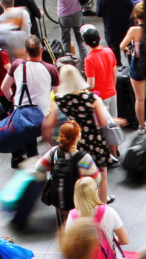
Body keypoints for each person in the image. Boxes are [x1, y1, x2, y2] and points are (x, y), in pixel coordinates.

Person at [52, 65, 114, 204]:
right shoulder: (92, 98)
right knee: (101, 174)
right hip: (94, 140)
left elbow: (51, 122)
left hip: (73, 141)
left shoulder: (58, 101)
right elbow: (103, 122)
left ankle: (82, 205)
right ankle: (102, 204)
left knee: (78, 175)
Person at [1, 36, 58, 163]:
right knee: (54, 143)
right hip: (43, 115)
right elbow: (58, 94)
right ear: (42, 50)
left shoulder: (16, 64)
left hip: (23, 116)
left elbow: (4, 87)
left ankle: (34, 168)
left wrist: (13, 98)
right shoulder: (50, 69)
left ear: (26, 51)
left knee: (31, 151)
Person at [35, 121, 100, 227]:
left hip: (59, 201)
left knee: (63, 230)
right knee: (78, 232)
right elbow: (97, 179)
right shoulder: (84, 158)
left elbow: (38, 167)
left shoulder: (54, 152)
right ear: (78, 137)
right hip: (78, 202)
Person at [80, 25, 118, 159]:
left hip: (100, 98)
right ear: (100, 38)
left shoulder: (89, 59)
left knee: (105, 128)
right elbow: (114, 72)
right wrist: (113, 87)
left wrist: (81, 87)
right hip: (112, 92)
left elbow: (91, 84)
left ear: (85, 43)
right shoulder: (108, 51)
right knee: (113, 123)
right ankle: (116, 150)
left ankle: (111, 155)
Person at [45, 0, 88, 65]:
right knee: (80, 39)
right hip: (77, 11)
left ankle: (68, 62)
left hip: (64, 15)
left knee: (65, 40)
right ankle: (85, 61)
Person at [120, 2, 146, 134]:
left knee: (139, 98)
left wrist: (127, 49)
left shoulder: (134, 30)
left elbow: (122, 46)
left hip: (137, 65)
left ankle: (142, 126)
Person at [95, 0, 133, 70]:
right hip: (125, 30)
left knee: (115, 58)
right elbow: (132, 10)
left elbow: (99, 14)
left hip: (110, 31)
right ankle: (131, 71)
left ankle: (119, 75)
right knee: (129, 53)